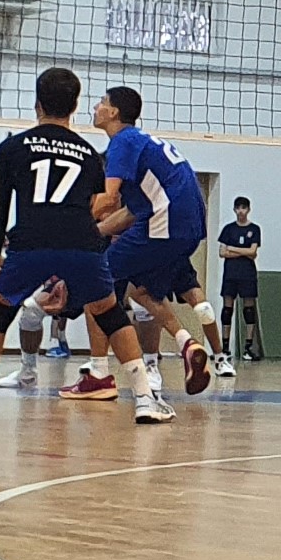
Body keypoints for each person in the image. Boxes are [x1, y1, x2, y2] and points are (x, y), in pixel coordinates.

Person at [0, 68, 173, 424]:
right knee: (110, 312)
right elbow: (92, 207)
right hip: (82, 243)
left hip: (31, 241)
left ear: (37, 103)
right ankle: (145, 399)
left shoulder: (13, 147)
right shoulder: (88, 153)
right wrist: (70, 269)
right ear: (74, 106)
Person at [88, 87, 217, 394]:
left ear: (114, 112)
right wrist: (94, 231)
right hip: (187, 224)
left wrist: (66, 224)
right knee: (142, 291)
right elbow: (130, 212)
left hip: (167, 222)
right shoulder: (142, 143)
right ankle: (188, 345)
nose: (95, 107)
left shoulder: (122, 141)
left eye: (101, 102)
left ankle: (98, 373)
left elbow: (109, 199)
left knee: (95, 282)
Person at [218, 197, 262, 361]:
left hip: (247, 274)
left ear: (248, 209)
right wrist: (244, 252)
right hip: (230, 274)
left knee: (248, 309)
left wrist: (232, 248)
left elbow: (253, 252)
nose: (241, 211)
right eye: (238, 208)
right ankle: (225, 347)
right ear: (234, 210)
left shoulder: (254, 229)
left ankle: (248, 347)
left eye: (244, 208)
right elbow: (222, 252)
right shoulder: (228, 229)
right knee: (227, 310)